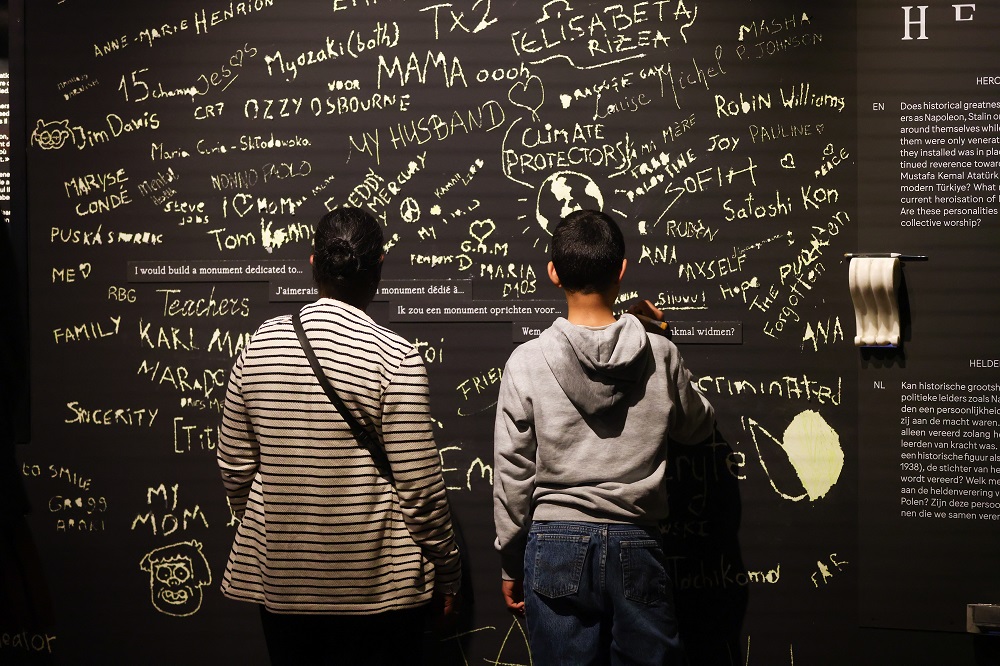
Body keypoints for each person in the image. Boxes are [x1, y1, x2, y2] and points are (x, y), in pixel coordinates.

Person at [218, 207, 462, 665]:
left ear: (314, 263)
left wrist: (282, 524)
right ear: (379, 266)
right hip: (380, 589)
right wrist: (448, 569)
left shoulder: (258, 346)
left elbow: (234, 468)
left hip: (285, 586)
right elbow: (420, 490)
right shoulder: (396, 357)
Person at [493, 209, 715, 665]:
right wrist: (659, 340)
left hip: (554, 543)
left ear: (553, 273)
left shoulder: (526, 361)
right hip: (638, 540)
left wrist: (510, 560)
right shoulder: (660, 354)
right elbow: (698, 427)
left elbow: (512, 472)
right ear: (622, 269)